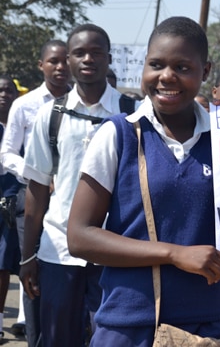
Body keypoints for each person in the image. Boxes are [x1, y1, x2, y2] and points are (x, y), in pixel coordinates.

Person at [67, 16, 220, 346]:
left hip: (206, 325)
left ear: (206, 71)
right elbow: (80, 237)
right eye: (156, 64)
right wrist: (174, 254)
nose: (167, 76)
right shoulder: (118, 134)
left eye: (183, 67)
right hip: (127, 322)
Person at [19, 24, 136, 347]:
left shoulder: (132, 113)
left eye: (96, 52)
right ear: (68, 59)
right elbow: (38, 186)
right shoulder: (50, 115)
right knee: (58, 338)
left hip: (114, 251)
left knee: (111, 338)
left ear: (109, 59)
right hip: (58, 250)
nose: (88, 59)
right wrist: (28, 256)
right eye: (80, 53)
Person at [0, 39, 70, 346]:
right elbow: (7, 154)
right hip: (32, 199)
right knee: (32, 273)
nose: (60, 66)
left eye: (65, 60)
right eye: (53, 61)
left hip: (73, 202)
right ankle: (34, 338)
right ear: (41, 66)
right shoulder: (25, 105)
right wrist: (39, 175)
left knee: (67, 275)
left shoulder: (81, 103)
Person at [0, 76, 22, 343]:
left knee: (7, 264)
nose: (4, 94)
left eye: (9, 90)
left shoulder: (23, 125)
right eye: (0, 90)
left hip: (17, 201)